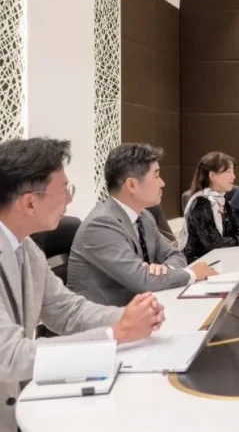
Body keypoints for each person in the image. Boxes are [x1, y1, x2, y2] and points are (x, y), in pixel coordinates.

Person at [0, 138, 164, 431]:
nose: (70, 200)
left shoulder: (25, 247)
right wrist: (115, 332)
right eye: (65, 190)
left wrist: (131, 317)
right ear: (30, 202)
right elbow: (9, 357)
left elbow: (67, 310)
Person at [69, 144, 216, 307]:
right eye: (156, 176)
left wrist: (165, 270)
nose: (162, 183)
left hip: (143, 308)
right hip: (107, 317)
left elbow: (174, 255)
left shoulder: (144, 216)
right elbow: (142, 280)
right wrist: (191, 274)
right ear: (132, 185)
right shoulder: (101, 224)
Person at [180, 152, 239, 263]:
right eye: (228, 172)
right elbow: (214, 243)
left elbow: (236, 228)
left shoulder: (222, 201)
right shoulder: (201, 203)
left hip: (220, 258)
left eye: (233, 171)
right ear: (212, 176)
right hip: (199, 263)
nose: (233, 176)